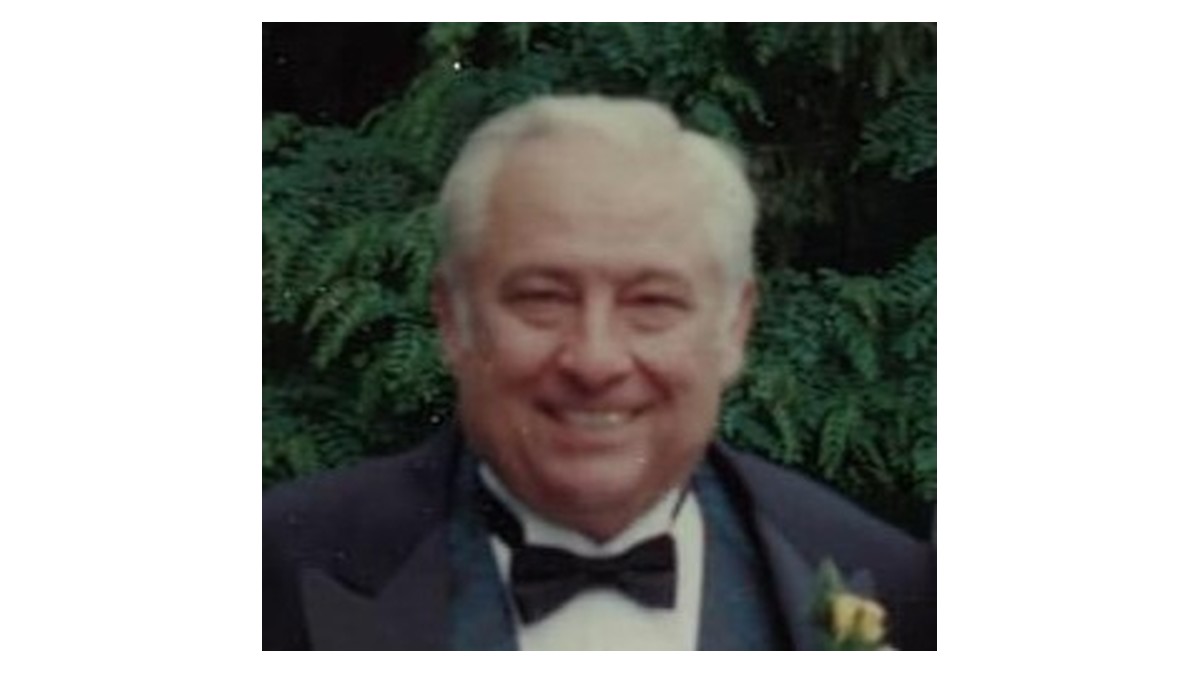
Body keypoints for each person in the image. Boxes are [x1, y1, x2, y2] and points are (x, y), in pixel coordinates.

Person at [262, 95, 935, 650]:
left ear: (733, 326)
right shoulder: (271, 572)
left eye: (652, 304)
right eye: (542, 298)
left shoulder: (895, 587)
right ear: (452, 319)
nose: (595, 360)